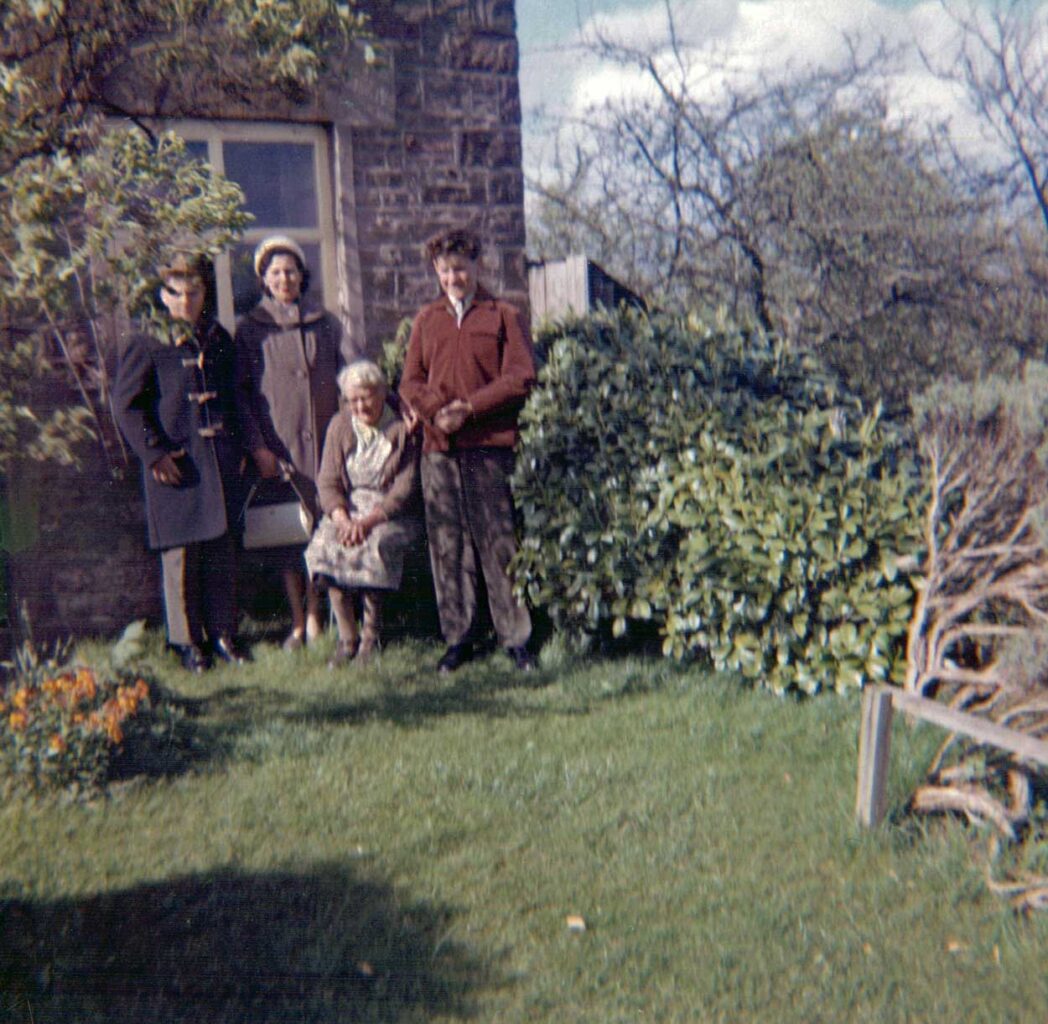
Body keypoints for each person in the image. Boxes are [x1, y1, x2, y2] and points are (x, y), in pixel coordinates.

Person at [399, 228, 537, 673]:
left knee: (498, 543)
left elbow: (520, 377)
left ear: (476, 266)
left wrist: (470, 408)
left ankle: (515, 638)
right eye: (445, 270)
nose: (453, 277)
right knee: (447, 545)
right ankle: (459, 637)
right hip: (438, 448)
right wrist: (437, 411)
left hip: (487, 447)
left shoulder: (503, 316)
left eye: (460, 268)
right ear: (436, 272)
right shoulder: (426, 320)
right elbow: (410, 382)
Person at [114, 252, 247, 673]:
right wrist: (153, 453)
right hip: (176, 464)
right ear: (163, 294)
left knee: (221, 550)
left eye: (194, 292)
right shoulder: (147, 340)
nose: (186, 301)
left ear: (205, 293)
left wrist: (237, 448)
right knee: (182, 557)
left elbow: (233, 395)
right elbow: (125, 405)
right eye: (177, 293)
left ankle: (223, 634)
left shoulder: (218, 337)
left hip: (219, 460)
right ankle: (186, 642)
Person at [235, 235, 358, 650]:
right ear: (264, 281)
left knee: (323, 528)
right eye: (275, 273)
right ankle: (298, 620)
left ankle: (319, 613)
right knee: (290, 533)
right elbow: (242, 395)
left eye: (290, 271)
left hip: (323, 444)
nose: (284, 278)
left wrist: (346, 433)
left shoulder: (325, 323)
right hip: (280, 448)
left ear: (301, 276)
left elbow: (349, 376)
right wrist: (258, 447)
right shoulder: (251, 330)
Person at [305, 360, 421, 666]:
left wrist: (368, 522)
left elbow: (405, 488)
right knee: (326, 544)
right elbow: (327, 481)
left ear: (381, 393)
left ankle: (371, 637)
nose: (360, 405)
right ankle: (347, 639)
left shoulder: (401, 427)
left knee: (374, 545)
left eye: (366, 397)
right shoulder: (339, 426)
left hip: (388, 514)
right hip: (348, 509)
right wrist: (343, 519)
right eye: (353, 399)